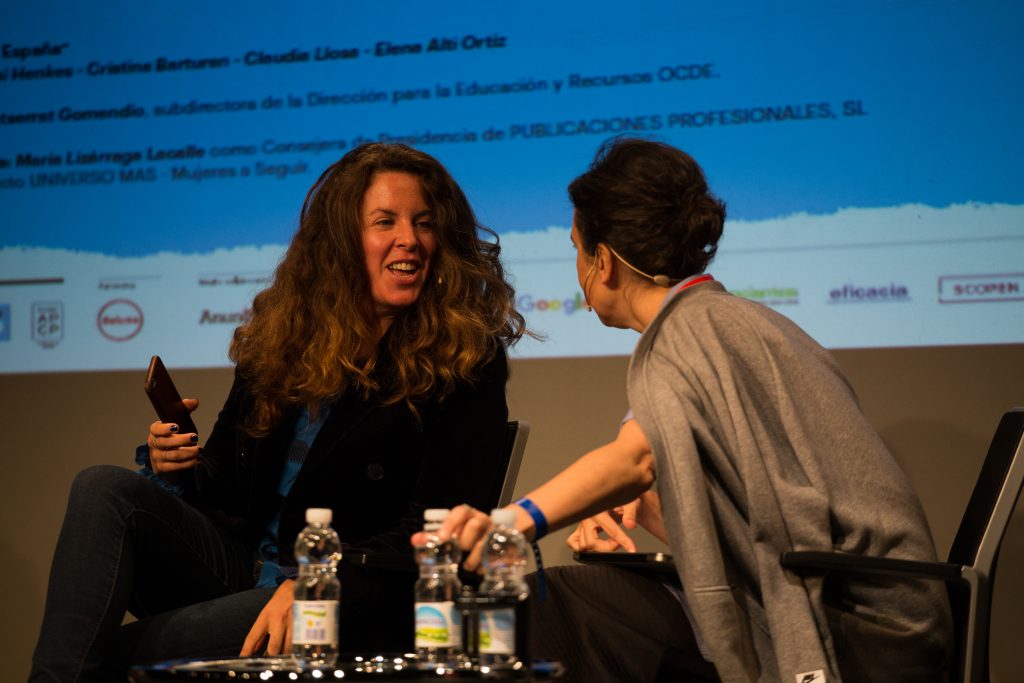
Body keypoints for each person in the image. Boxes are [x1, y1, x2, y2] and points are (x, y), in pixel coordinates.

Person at [422, 138, 953, 682]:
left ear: (603, 261)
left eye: (578, 248)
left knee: (551, 605)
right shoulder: (722, 319)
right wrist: (645, 504)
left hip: (859, 632)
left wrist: (512, 523)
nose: (578, 267)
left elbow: (635, 458)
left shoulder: (692, 330)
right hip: (879, 612)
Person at [30, 142, 526, 682]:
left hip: (347, 597)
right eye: (385, 221)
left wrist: (319, 580)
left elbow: (440, 529)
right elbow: (226, 490)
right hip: (244, 572)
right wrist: (178, 464)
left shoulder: (464, 357)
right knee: (103, 487)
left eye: (424, 223)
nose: (409, 239)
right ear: (341, 240)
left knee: (107, 658)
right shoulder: (284, 339)